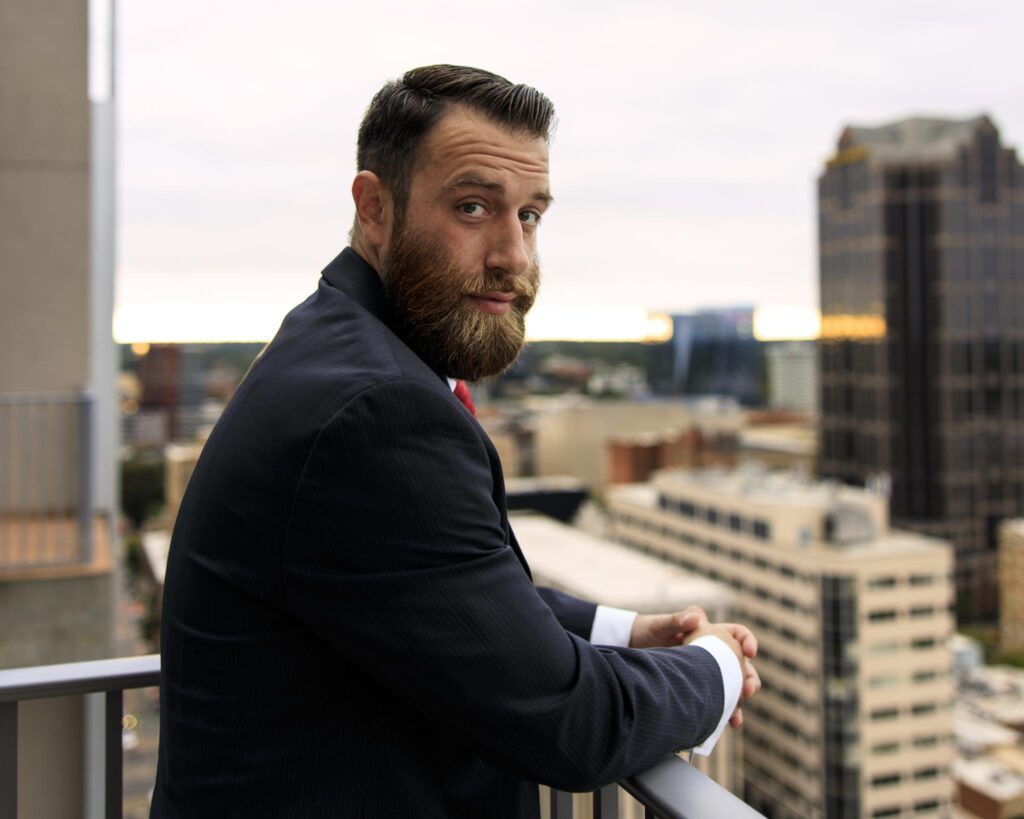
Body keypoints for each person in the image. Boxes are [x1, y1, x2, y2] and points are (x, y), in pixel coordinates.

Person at [150, 65, 760, 819]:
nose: (513, 255)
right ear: (374, 207)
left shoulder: (338, 346)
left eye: (530, 215)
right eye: (474, 207)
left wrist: (625, 630)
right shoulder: (376, 409)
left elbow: (437, 584)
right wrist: (718, 667)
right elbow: (575, 725)